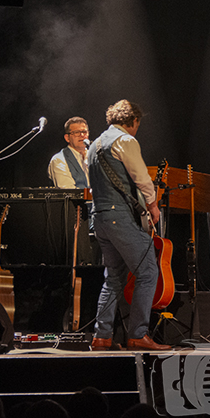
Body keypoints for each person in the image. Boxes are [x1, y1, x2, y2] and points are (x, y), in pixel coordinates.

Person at [87, 100, 170, 351]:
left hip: (99, 217)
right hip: (118, 217)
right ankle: (137, 335)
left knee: (113, 278)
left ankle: (102, 337)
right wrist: (153, 205)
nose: (137, 130)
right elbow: (142, 177)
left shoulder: (94, 145)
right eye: (137, 125)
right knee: (147, 271)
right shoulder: (125, 140)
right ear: (132, 121)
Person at [48, 117, 91, 189]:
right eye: (76, 132)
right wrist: (96, 196)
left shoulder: (95, 156)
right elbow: (68, 190)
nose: (82, 135)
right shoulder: (59, 160)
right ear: (67, 138)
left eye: (84, 132)